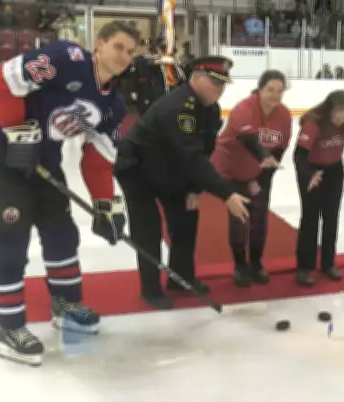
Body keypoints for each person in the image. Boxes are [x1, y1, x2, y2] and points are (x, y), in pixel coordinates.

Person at [0, 21, 139, 366]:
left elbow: (97, 159)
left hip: (45, 158)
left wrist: (104, 205)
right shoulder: (66, 58)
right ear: (100, 44)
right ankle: (9, 328)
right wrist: (17, 131)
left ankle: (65, 305)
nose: (124, 56)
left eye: (130, 51)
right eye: (118, 46)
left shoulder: (114, 106)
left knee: (61, 233)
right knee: (11, 238)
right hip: (2, 153)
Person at [114, 56, 250, 309]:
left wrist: (194, 189)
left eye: (223, 85)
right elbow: (191, 157)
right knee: (148, 229)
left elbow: (204, 150)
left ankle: (181, 279)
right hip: (138, 171)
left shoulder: (210, 109)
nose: (220, 90)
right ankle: (151, 290)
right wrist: (226, 194)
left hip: (172, 168)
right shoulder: (178, 107)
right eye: (214, 83)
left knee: (186, 219)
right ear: (196, 79)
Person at [210, 70, 292, 286]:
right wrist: (263, 158)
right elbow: (250, 140)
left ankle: (256, 263)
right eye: (270, 90)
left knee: (259, 218)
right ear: (260, 89)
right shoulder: (243, 109)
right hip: (231, 170)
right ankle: (240, 265)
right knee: (239, 219)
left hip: (258, 172)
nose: (275, 95)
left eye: (280, 91)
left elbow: (279, 150)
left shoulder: (284, 115)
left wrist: (262, 179)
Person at [293, 90, 344, 286]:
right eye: (337, 117)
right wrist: (309, 175)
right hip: (311, 168)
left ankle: (328, 263)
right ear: (329, 111)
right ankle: (304, 267)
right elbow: (299, 155)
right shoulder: (313, 122)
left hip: (334, 169)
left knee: (331, 217)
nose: (340, 122)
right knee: (310, 218)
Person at [117, 38, 186, 116]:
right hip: (149, 95)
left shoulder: (171, 63)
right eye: (162, 48)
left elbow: (181, 78)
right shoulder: (141, 60)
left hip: (167, 93)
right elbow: (145, 66)